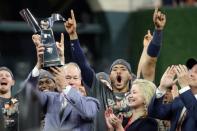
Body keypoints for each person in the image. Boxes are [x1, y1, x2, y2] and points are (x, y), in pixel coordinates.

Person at [64, 8, 166, 130]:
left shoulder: (138, 90)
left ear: (130, 76)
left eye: (123, 69)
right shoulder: (99, 89)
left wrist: (158, 32)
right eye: (114, 69)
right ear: (109, 75)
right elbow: (83, 65)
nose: (118, 71)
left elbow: (150, 63)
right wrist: (73, 36)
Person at [28, 33, 100, 131]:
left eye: (75, 78)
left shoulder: (91, 103)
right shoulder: (50, 98)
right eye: (68, 77)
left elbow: (88, 112)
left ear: (80, 81)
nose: (71, 82)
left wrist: (65, 86)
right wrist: (39, 64)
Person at [148, 58, 197, 131]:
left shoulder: (184, 97)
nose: (191, 74)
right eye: (190, 70)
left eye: (196, 72)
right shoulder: (180, 101)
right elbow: (154, 112)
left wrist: (184, 87)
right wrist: (162, 87)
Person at [0, 67, 19, 131]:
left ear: (13, 82)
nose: (3, 77)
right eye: (0, 75)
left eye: (7, 76)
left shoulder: (18, 101)